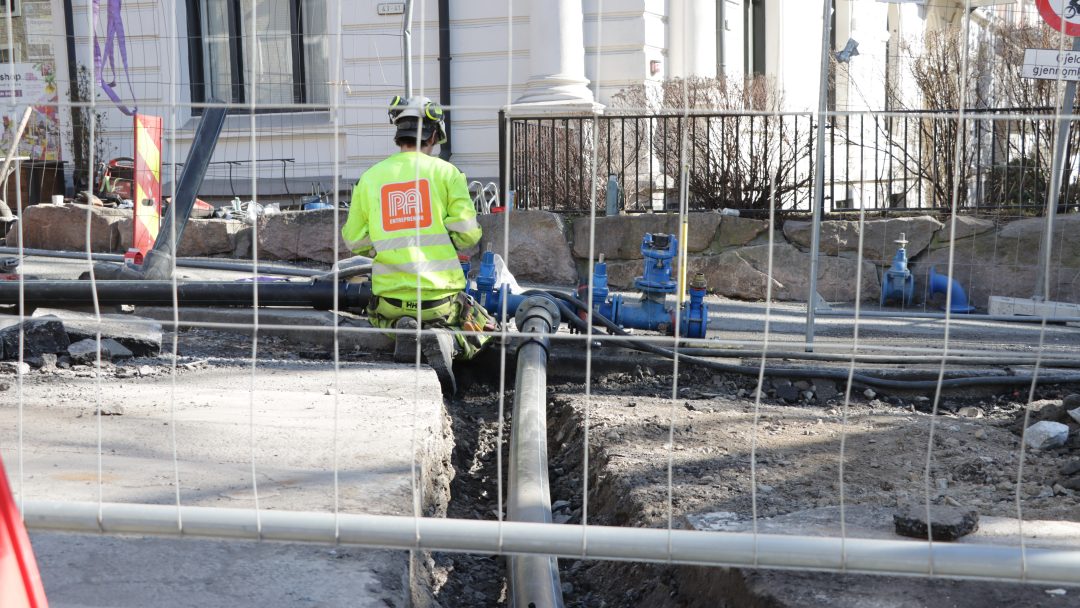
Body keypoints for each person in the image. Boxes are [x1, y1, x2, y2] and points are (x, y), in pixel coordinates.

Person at [342, 96, 496, 394]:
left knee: (378, 318)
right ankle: (446, 340)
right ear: (434, 135)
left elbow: (354, 240)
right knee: (484, 327)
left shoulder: (370, 178)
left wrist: (381, 249)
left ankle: (403, 330)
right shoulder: (446, 173)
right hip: (440, 303)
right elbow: (469, 235)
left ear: (398, 134)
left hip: (389, 303)